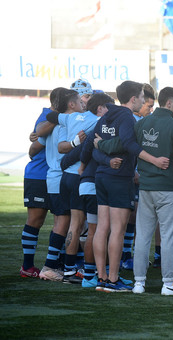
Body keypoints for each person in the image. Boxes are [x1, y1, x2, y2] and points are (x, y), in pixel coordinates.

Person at [84, 80, 169, 292]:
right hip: (119, 178)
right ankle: (113, 280)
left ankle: (101, 278)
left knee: (102, 229)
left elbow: (92, 145)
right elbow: (129, 145)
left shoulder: (106, 115)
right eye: (142, 97)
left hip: (101, 176)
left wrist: (102, 156)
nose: (143, 100)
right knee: (118, 231)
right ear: (133, 99)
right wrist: (155, 160)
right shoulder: (127, 117)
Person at [130, 86, 173, 296]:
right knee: (169, 237)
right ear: (169, 103)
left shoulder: (143, 123)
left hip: (146, 188)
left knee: (143, 237)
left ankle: (138, 283)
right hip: (168, 188)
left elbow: (131, 148)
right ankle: (169, 283)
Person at [45, 89, 100, 284]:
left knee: (73, 225)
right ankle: (85, 270)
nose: (83, 103)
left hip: (65, 178)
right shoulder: (95, 119)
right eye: (79, 100)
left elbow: (50, 115)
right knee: (86, 226)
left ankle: (69, 270)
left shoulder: (68, 119)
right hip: (78, 176)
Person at [38, 88, 79, 281]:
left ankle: (55, 265)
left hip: (52, 178)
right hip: (61, 177)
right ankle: (49, 266)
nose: (82, 104)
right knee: (64, 223)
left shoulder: (52, 125)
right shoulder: (65, 124)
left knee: (60, 224)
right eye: (79, 100)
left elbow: (38, 140)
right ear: (71, 104)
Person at [20, 94, 58, 278]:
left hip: (52, 176)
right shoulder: (49, 117)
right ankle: (27, 266)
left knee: (62, 220)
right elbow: (33, 149)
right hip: (40, 175)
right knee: (36, 220)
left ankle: (56, 264)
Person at [121, 83, 156, 270]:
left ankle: (130, 254)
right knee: (129, 217)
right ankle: (125, 255)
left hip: (135, 176)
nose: (150, 110)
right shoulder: (131, 121)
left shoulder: (140, 121)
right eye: (148, 106)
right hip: (128, 177)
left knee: (134, 217)